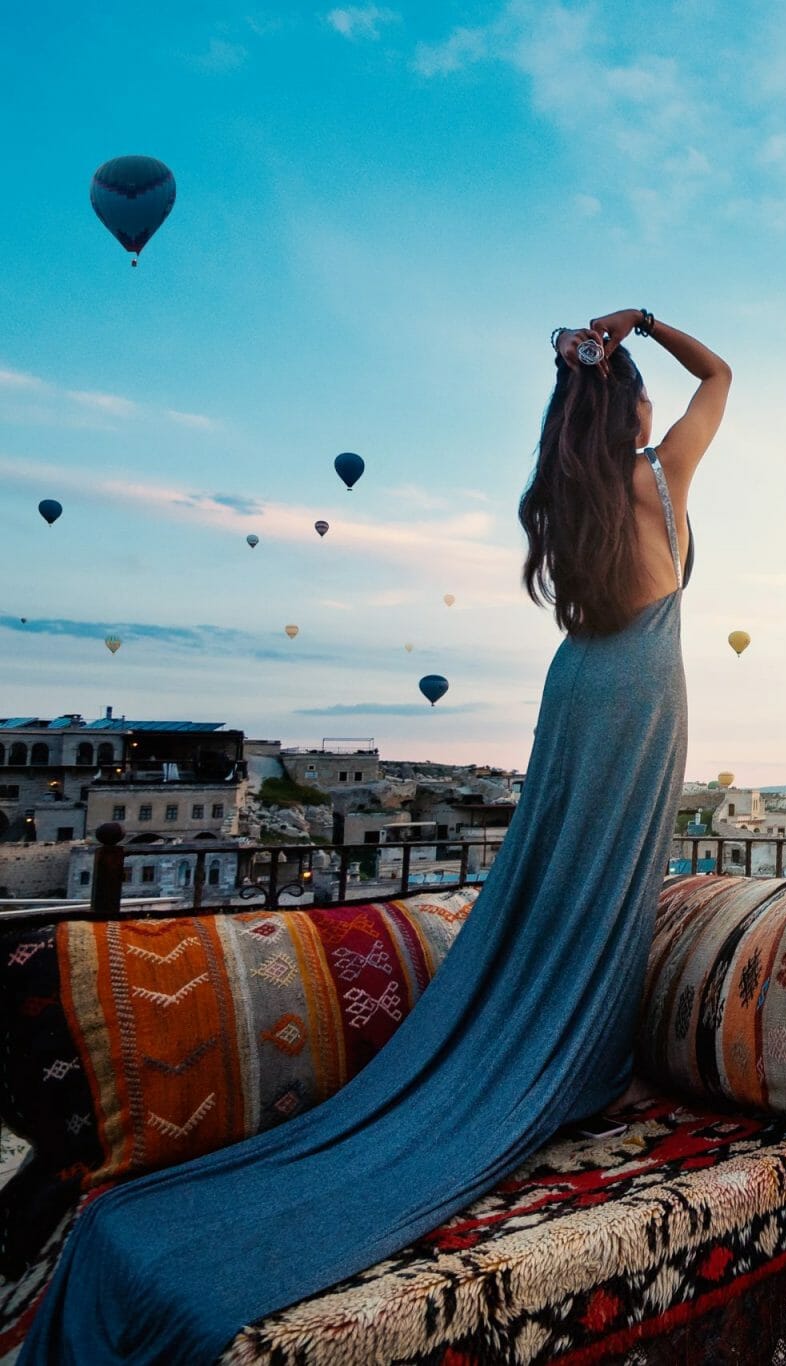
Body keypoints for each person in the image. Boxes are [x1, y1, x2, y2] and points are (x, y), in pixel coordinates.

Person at [21, 309, 730, 1363]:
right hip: (643, 691)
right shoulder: (661, 473)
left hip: (578, 685)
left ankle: (541, 1033)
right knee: (613, 878)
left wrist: (600, 353)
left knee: (552, 873)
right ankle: (581, 1051)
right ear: (629, 404)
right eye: (633, 391)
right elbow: (719, 373)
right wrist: (649, 322)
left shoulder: (563, 495)